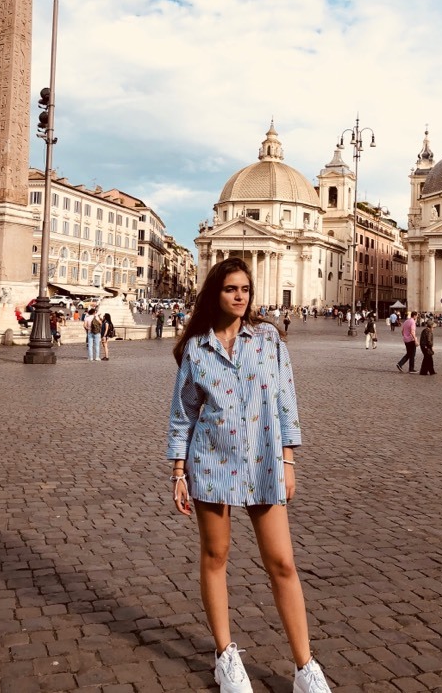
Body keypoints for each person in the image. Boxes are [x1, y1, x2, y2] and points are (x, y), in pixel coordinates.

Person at [167, 257, 332, 693]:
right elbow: (183, 415)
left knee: (282, 562)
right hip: (210, 460)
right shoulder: (196, 349)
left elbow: (285, 401)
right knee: (215, 557)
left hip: (263, 461)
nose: (240, 296)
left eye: (245, 289)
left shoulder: (269, 340)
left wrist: (289, 460)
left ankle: (305, 667)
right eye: (230, 289)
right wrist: (178, 472)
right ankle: (225, 657)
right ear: (214, 294)